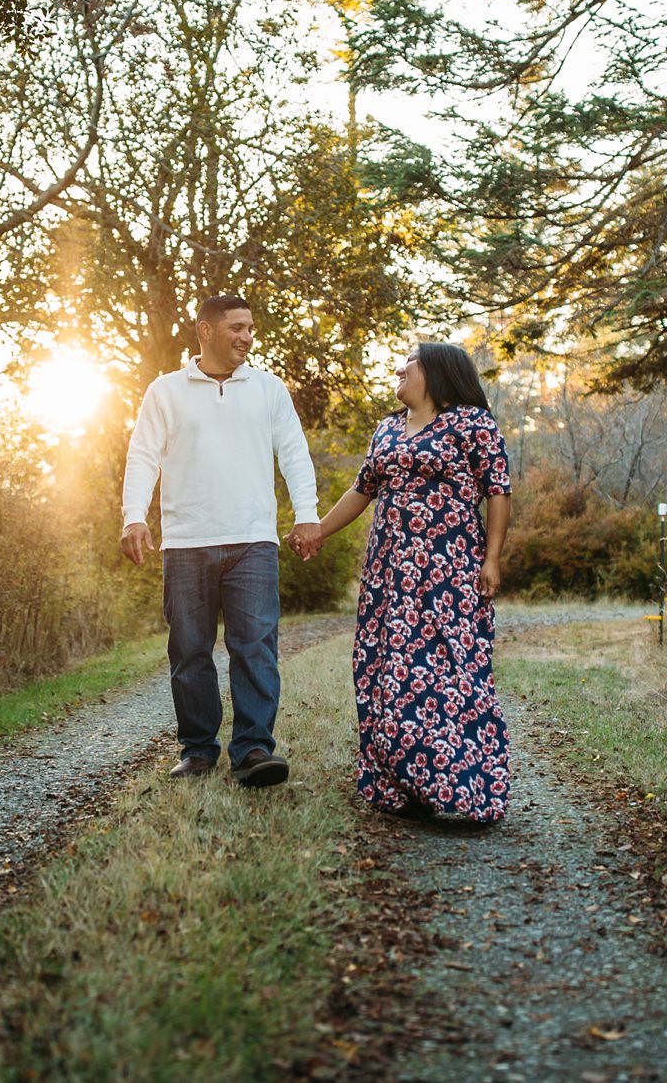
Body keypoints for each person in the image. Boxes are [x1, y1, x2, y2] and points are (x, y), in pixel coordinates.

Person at [290, 342, 513, 822]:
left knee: (449, 669)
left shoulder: (473, 423)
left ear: (434, 372)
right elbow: (361, 489)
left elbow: (497, 491)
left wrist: (491, 559)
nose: (398, 369)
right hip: (388, 573)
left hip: (448, 570)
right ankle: (399, 785)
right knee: (384, 668)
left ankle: (461, 786)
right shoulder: (387, 428)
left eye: (407, 363)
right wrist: (319, 532)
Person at [121, 294, 320, 787]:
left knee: (255, 646)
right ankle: (198, 750)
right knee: (189, 649)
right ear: (205, 331)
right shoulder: (164, 391)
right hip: (186, 541)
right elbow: (143, 455)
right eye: (236, 327)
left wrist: (307, 515)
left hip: (252, 538)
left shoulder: (268, 389)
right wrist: (133, 516)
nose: (247, 337)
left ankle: (253, 749)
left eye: (251, 328)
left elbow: (294, 453)